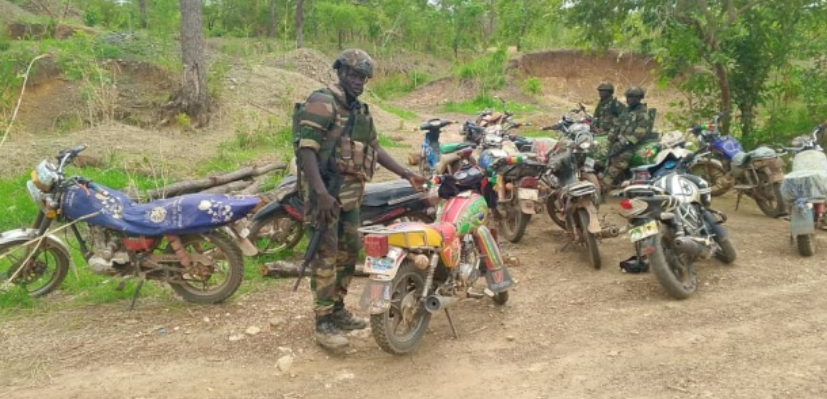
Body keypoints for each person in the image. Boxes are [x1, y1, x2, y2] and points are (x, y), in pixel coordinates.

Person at [295, 49, 426, 351]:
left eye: (362, 77)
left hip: (351, 198)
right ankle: (323, 321)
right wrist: (321, 193)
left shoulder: (361, 110)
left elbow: (375, 149)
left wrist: (407, 174)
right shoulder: (323, 101)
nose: (358, 81)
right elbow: (307, 150)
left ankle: (337, 309)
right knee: (325, 256)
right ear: (340, 72)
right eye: (352, 74)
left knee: (350, 252)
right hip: (325, 196)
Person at [602, 86, 654, 188]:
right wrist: (612, 135)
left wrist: (624, 142)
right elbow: (617, 124)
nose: (628, 99)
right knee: (605, 158)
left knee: (618, 164)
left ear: (638, 98)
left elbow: (640, 133)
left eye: (631, 97)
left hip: (631, 145)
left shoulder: (643, 114)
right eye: (628, 97)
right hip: (619, 142)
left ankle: (604, 185)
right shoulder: (626, 111)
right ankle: (613, 182)